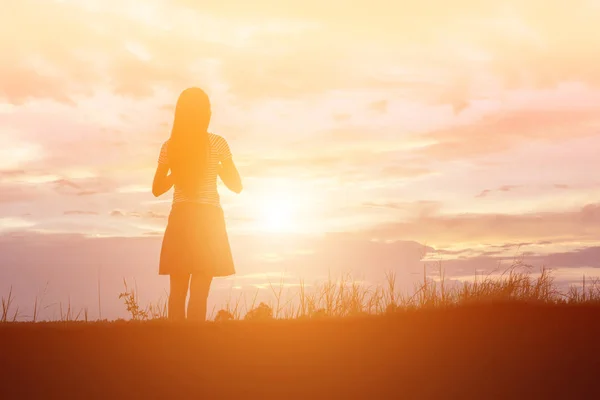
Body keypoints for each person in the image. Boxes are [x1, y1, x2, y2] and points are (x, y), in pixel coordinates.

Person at [152, 87, 242, 322]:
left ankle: (175, 349)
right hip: (208, 221)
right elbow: (237, 185)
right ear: (205, 113)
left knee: (177, 294)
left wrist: (178, 170)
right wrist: (219, 167)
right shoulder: (218, 144)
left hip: (181, 220)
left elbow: (157, 188)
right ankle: (196, 348)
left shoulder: (170, 146)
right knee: (199, 295)